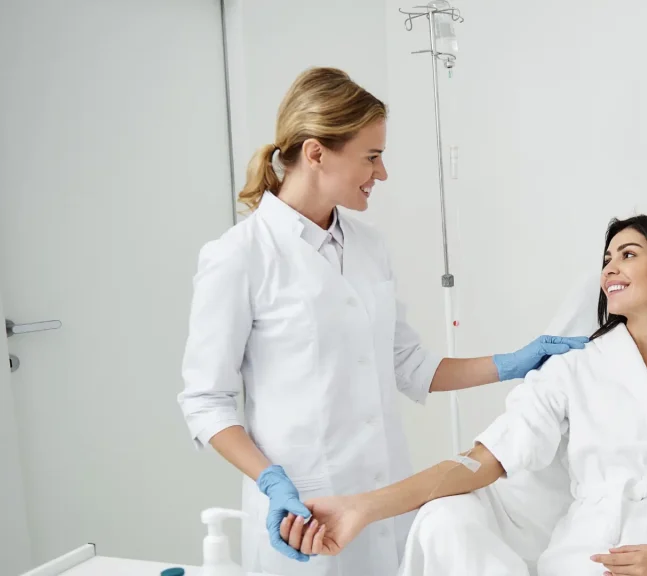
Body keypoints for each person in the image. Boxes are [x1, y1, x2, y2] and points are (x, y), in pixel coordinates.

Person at [177, 66, 588, 576]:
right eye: (372, 157)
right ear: (316, 152)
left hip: (384, 502)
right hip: (303, 512)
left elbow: (410, 365)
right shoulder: (240, 256)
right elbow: (205, 400)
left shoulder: (369, 246)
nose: (382, 173)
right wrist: (271, 480)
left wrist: (516, 362)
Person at [281, 215, 647, 576]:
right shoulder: (573, 369)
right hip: (591, 552)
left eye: (629, 254)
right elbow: (482, 460)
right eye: (607, 258)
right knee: (447, 522)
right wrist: (362, 508)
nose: (610, 267)